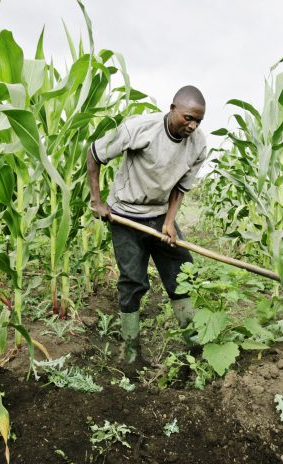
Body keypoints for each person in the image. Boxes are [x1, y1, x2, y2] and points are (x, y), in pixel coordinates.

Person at [87, 85, 207, 364]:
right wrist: (97, 201)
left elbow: (181, 186)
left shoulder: (198, 144)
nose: (193, 125)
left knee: (182, 274)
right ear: (173, 108)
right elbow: (94, 153)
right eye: (188, 117)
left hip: (160, 215)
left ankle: (195, 349)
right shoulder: (139, 128)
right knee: (132, 281)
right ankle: (131, 353)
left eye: (198, 120)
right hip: (126, 216)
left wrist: (169, 222)